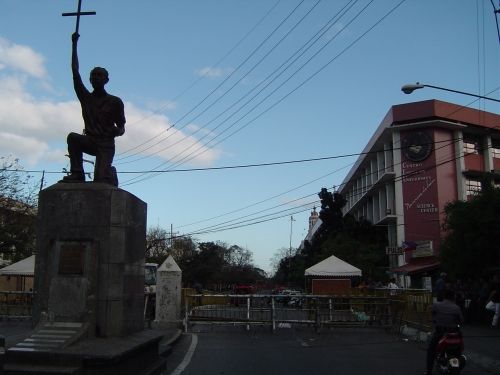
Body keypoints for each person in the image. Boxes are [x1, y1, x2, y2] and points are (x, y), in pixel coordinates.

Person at [60, 32, 125, 186]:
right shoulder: (86, 98)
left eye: (99, 75)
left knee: (101, 182)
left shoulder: (115, 102)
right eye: (93, 75)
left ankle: (109, 172)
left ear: (106, 80)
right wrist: (74, 45)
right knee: (73, 138)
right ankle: (77, 173)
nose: (95, 77)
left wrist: (117, 131)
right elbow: (75, 72)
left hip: (106, 145)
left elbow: (122, 127)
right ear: (89, 79)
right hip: (90, 140)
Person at [424, 288, 464, 375]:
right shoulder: (456, 307)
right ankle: (459, 358)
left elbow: (430, 312)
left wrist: (433, 320)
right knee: (459, 349)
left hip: (440, 333)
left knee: (431, 351)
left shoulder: (436, 305)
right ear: (453, 297)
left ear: (444, 297)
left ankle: (428, 372)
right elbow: (461, 321)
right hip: (454, 334)